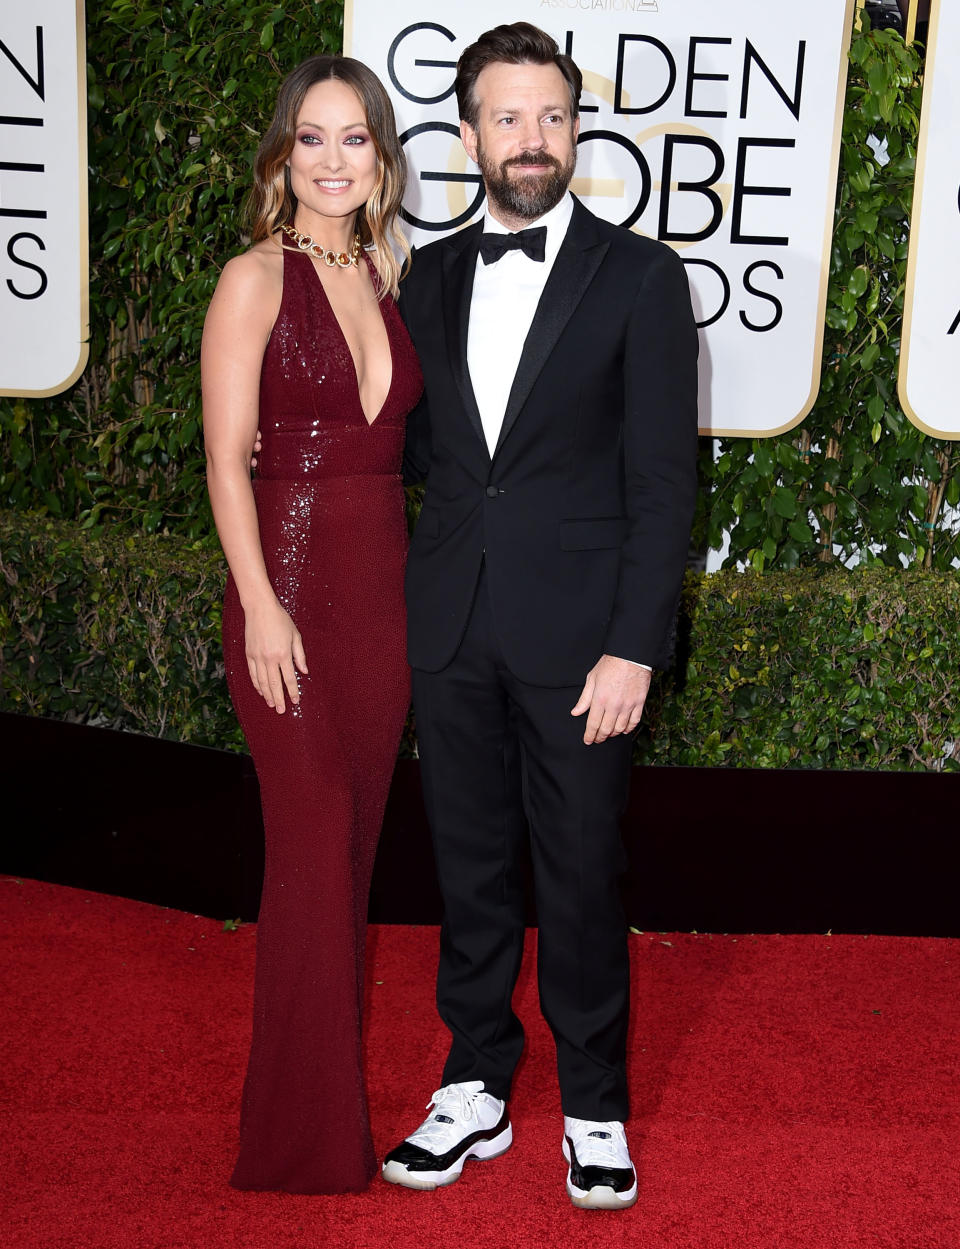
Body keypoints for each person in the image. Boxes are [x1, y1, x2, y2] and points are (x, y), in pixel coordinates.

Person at [381, 23, 699, 1211]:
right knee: (468, 868)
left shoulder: (640, 278)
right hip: (452, 620)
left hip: (583, 645)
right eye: (507, 118)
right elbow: (412, 450)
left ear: (578, 131)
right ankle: (475, 1083)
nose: (532, 140)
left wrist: (636, 645)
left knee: (576, 871)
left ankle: (597, 1103)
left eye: (552, 117)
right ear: (466, 134)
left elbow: (665, 484)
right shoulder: (430, 276)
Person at [201, 54, 422, 1194]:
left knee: (351, 854)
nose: (334, 160)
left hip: (381, 601)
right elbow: (226, 462)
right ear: (282, 154)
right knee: (310, 849)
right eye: (312, 138)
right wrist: (261, 605)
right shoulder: (255, 277)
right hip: (286, 587)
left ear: (381, 158)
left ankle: (319, 1119)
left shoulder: (384, 272)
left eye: (356, 139)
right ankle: (300, 1145)